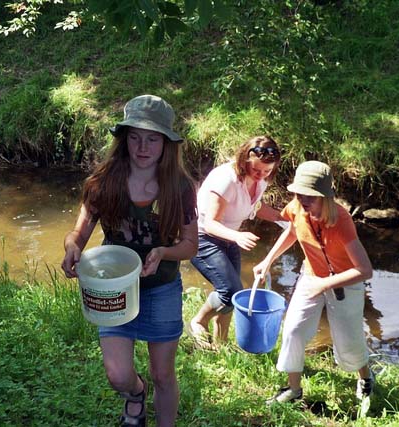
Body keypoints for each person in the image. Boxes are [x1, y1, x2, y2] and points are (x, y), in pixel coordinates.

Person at [61, 95, 197, 427]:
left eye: (152, 138)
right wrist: (71, 249)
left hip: (161, 288)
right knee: (119, 375)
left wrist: (163, 252)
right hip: (114, 288)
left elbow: (190, 245)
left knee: (163, 375)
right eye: (135, 136)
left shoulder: (179, 187)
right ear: (124, 140)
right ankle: (136, 396)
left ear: (166, 143)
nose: (142, 146)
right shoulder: (102, 181)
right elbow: (78, 233)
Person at [253, 160, 375, 404]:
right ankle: (294, 390)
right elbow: (291, 231)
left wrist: (326, 285)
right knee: (293, 330)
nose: (302, 199)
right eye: (298, 193)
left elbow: (365, 270)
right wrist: (267, 261)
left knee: (349, 340)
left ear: (324, 196)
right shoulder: (297, 207)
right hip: (312, 276)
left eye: (309, 195)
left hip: (345, 281)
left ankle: (365, 377)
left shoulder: (341, 220)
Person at [188, 135, 283, 347]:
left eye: (267, 171)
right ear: (243, 160)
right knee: (230, 291)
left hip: (228, 238)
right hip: (202, 238)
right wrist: (238, 236)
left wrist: (280, 216)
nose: (260, 176)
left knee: (235, 292)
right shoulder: (226, 179)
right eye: (256, 170)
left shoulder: (260, 180)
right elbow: (210, 223)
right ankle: (198, 321)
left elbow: (254, 206)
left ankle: (221, 344)